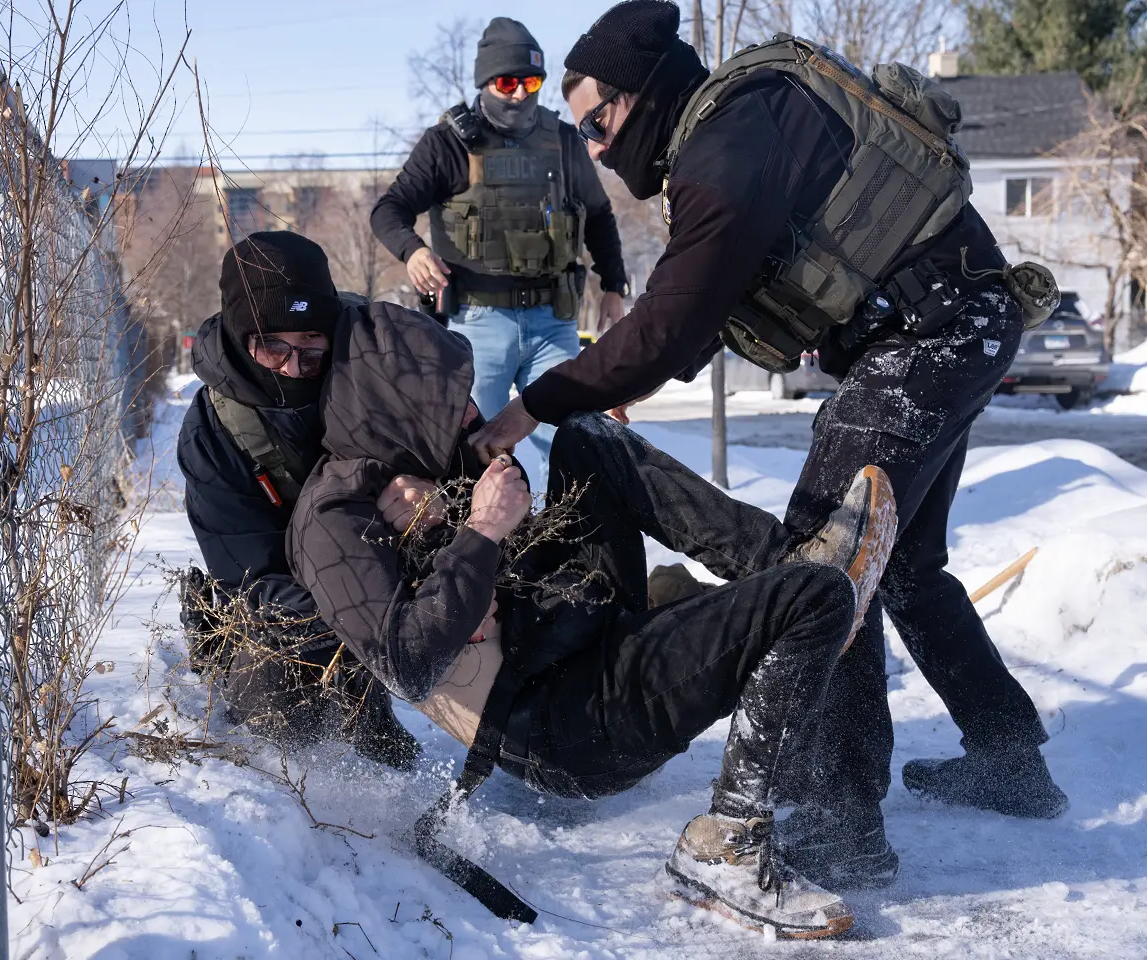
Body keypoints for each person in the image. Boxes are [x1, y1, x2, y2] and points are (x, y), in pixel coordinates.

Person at [469, 0, 1067, 888]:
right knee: (901, 563)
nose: (593, 149)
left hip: (928, 336)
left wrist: (537, 405)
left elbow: (672, 322)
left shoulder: (723, 151)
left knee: (825, 560)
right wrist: (634, 373)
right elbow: (718, 297)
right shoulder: (743, 116)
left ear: (641, 95)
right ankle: (1010, 759)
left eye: (597, 124)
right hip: (957, 321)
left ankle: (839, 818)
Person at [287, 302, 900, 938]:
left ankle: (787, 562)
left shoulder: (423, 457)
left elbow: (512, 552)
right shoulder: (332, 521)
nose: (470, 412)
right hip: (565, 724)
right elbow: (407, 663)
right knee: (814, 598)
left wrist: (476, 509)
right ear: (393, 407)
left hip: (571, 630)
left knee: (587, 437)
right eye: (450, 402)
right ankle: (725, 849)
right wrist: (478, 529)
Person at [177, 231, 420, 769]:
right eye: (272, 347)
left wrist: (430, 494)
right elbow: (251, 575)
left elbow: (481, 470)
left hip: (392, 574)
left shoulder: (381, 374)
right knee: (280, 717)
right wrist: (368, 623)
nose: (293, 367)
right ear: (241, 336)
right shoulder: (213, 431)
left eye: (312, 344)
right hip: (291, 605)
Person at [370, 17, 631, 469]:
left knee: (576, 442)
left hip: (553, 321)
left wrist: (613, 286)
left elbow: (599, 216)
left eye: (531, 82)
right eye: (508, 83)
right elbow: (388, 209)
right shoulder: (446, 144)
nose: (520, 95)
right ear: (486, 82)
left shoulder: (562, 140)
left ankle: (571, 518)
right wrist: (413, 251)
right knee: (474, 448)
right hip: (476, 324)